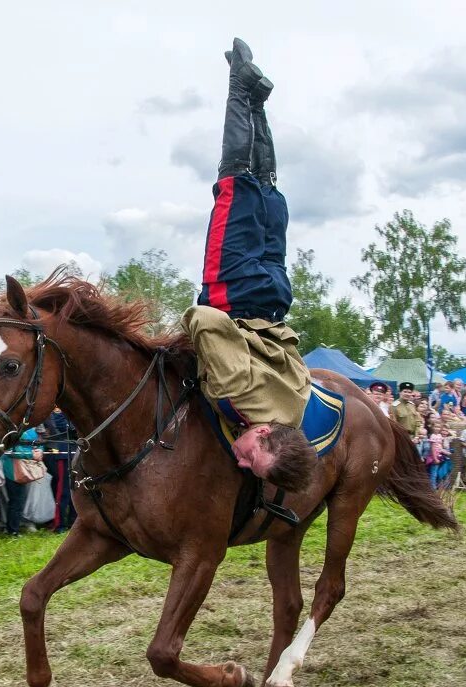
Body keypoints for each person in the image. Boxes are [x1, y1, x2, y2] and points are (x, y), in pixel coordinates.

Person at [178, 38, 314, 493]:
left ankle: (255, 100)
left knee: (266, 188)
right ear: (264, 437)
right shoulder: (239, 401)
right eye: (252, 461)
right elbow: (205, 320)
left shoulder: (293, 413)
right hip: (232, 294)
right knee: (235, 178)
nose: (242, 464)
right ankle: (239, 85)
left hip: (276, 296)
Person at [40, 406, 77, 533]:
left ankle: (73, 522)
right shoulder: (56, 413)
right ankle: (59, 524)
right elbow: (61, 428)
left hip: (75, 454)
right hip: (63, 454)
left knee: (75, 491)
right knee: (63, 492)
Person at [1, 426, 43, 536]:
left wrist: (40, 451)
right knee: (16, 501)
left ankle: (13, 527)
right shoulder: (12, 431)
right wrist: (32, 454)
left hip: (26, 469)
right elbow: (10, 451)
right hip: (13, 470)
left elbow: (39, 443)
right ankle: (12, 530)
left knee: (18, 501)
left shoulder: (32, 430)